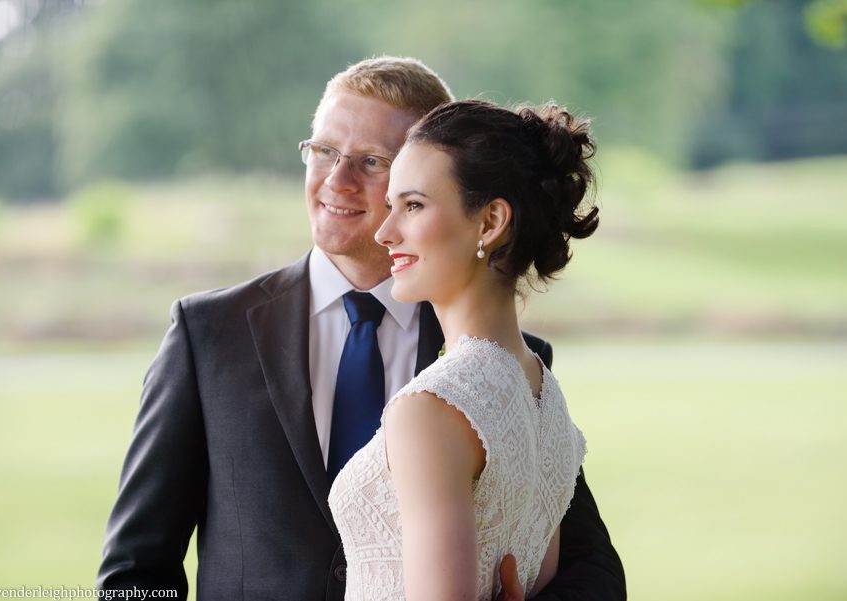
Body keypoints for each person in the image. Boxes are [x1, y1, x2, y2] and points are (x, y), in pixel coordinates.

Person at [97, 56, 625, 600]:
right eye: (323, 151)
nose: (336, 180)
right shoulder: (206, 334)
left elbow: (591, 570)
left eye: (372, 161)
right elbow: (134, 572)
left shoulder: (505, 366)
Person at [330, 98, 598, 601]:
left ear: (491, 221)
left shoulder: (431, 410)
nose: (385, 233)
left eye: (413, 206)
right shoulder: (548, 399)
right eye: (392, 207)